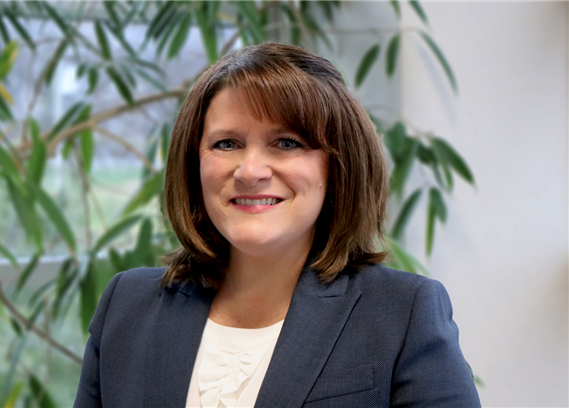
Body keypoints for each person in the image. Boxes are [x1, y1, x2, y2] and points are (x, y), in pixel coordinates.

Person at [74, 43, 481, 407]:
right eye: (226, 143)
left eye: (287, 143)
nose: (250, 171)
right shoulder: (126, 305)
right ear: (192, 163)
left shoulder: (402, 314)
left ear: (337, 168)